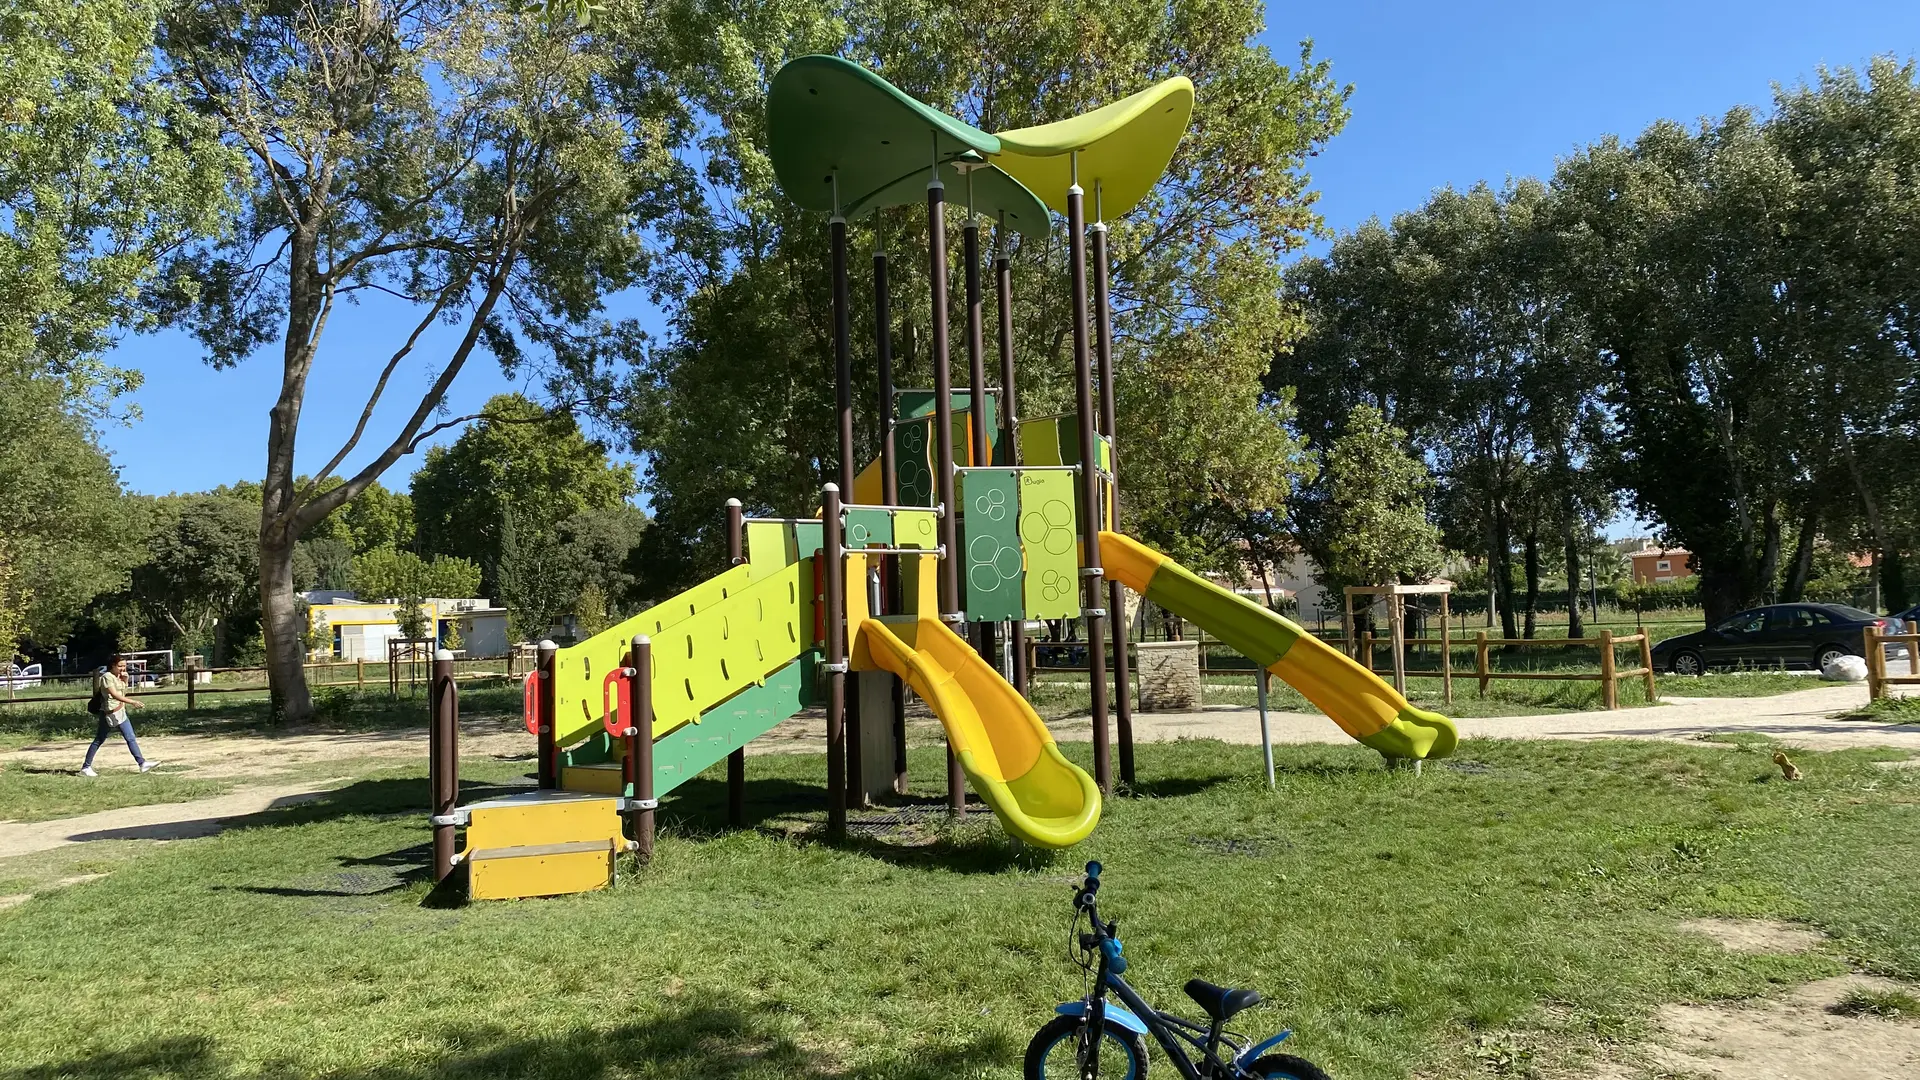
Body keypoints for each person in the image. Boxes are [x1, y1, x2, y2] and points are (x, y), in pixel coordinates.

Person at [81, 655, 156, 776]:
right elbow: (115, 695)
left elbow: (122, 692)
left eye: (124, 666)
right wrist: (132, 702)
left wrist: (125, 680)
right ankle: (86, 767)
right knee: (99, 739)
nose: (123, 668)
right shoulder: (107, 677)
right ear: (113, 666)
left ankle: (142, 764)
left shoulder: (119, 677)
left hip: (120, 711)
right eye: (120, 666)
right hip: (109, 712)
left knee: (130, 737)